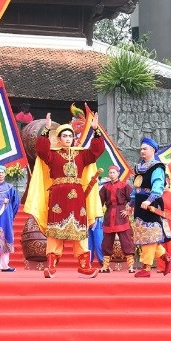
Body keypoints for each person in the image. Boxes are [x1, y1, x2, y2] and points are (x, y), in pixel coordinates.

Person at [25, 112, 104, 279]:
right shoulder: (52, 155)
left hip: (78, 199)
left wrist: (96, 130)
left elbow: (96, 151)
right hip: (58, 198)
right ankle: (52, 266)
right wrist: (46, 130)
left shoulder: (82, 154)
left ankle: (84, 266)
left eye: (70, 136)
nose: (68, 138)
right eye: (64, 136)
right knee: (54, 233)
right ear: (59, 138)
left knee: (80, 232)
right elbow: (41, 150)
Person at [130, 137, 171, 278]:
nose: (142, 151)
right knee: (144, 235)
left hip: (151, 202)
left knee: (149, 235)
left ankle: (146, 268)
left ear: (153, 150)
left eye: (145, 149)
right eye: (141, 149)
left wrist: (149, 200)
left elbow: (158, 186)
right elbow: (136, 187)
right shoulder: (138, 167)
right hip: (139, 202)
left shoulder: (157, 167)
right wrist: (130, 203)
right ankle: (167, 258)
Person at [99, 165, 135, 273]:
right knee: (107, 241)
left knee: (126, 241)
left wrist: (128, 210)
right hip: (109, 215)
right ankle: (105, 266)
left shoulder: (125, 186)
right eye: (110, 173)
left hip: (121, 216)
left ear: (118, 173)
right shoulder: (105, 187)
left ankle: (131, 267)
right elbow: (98, 202)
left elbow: (133, 199)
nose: (112, 174)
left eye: (114, 172)